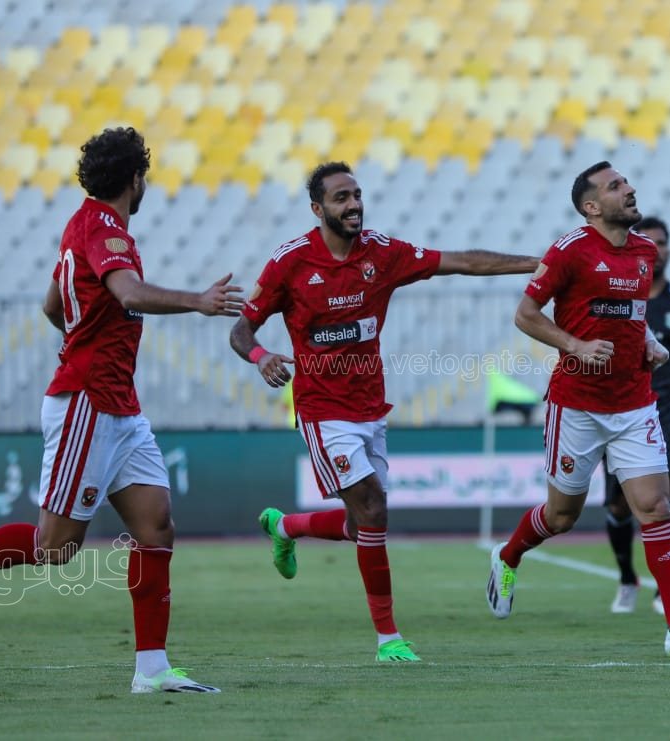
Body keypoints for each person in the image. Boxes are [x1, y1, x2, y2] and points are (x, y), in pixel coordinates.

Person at [0, 127, 243, 693]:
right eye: (144, 175)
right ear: (135, 178)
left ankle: (152, 669)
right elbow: (129, 293)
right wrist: (197, 301)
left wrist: (80, 336)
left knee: (156, 526)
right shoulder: (104, 228)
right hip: (88, 403)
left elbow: (52, 304)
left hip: (119, 406)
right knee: (53, 547)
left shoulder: (85, 225)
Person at [230, 161, 538, 663]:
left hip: (370, 407)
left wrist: (538, 264)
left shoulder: (382, 252)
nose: (354, 204)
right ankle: (388, 638)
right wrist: (262, 357)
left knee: (362, 525)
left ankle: (285, 527)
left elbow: (460, 261)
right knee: (374, 509)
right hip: (322, 410)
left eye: (357, 195)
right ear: (317, 209)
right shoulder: (290, 263)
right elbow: (241, 330)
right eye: (341, 198)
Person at [485, 161, 670, 657]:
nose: (630, 189)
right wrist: (575, 345)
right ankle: (507, 556)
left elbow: (631, 313)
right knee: (561, 516)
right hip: (576, 406)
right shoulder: (569, 251)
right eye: (616, 186)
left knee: (655, 507)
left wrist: (649, 341)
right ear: (591, 206)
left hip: (634, 403)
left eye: (627, 181)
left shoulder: (644, 251)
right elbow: (525, 315)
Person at [602, 216, 670, 616]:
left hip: (669, 412)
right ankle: (627, 577)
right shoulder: (613, 299)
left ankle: (666, 591)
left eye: (662, 242)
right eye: (648, 241)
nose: (656, 249)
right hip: (621, 411)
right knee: (618, 505)